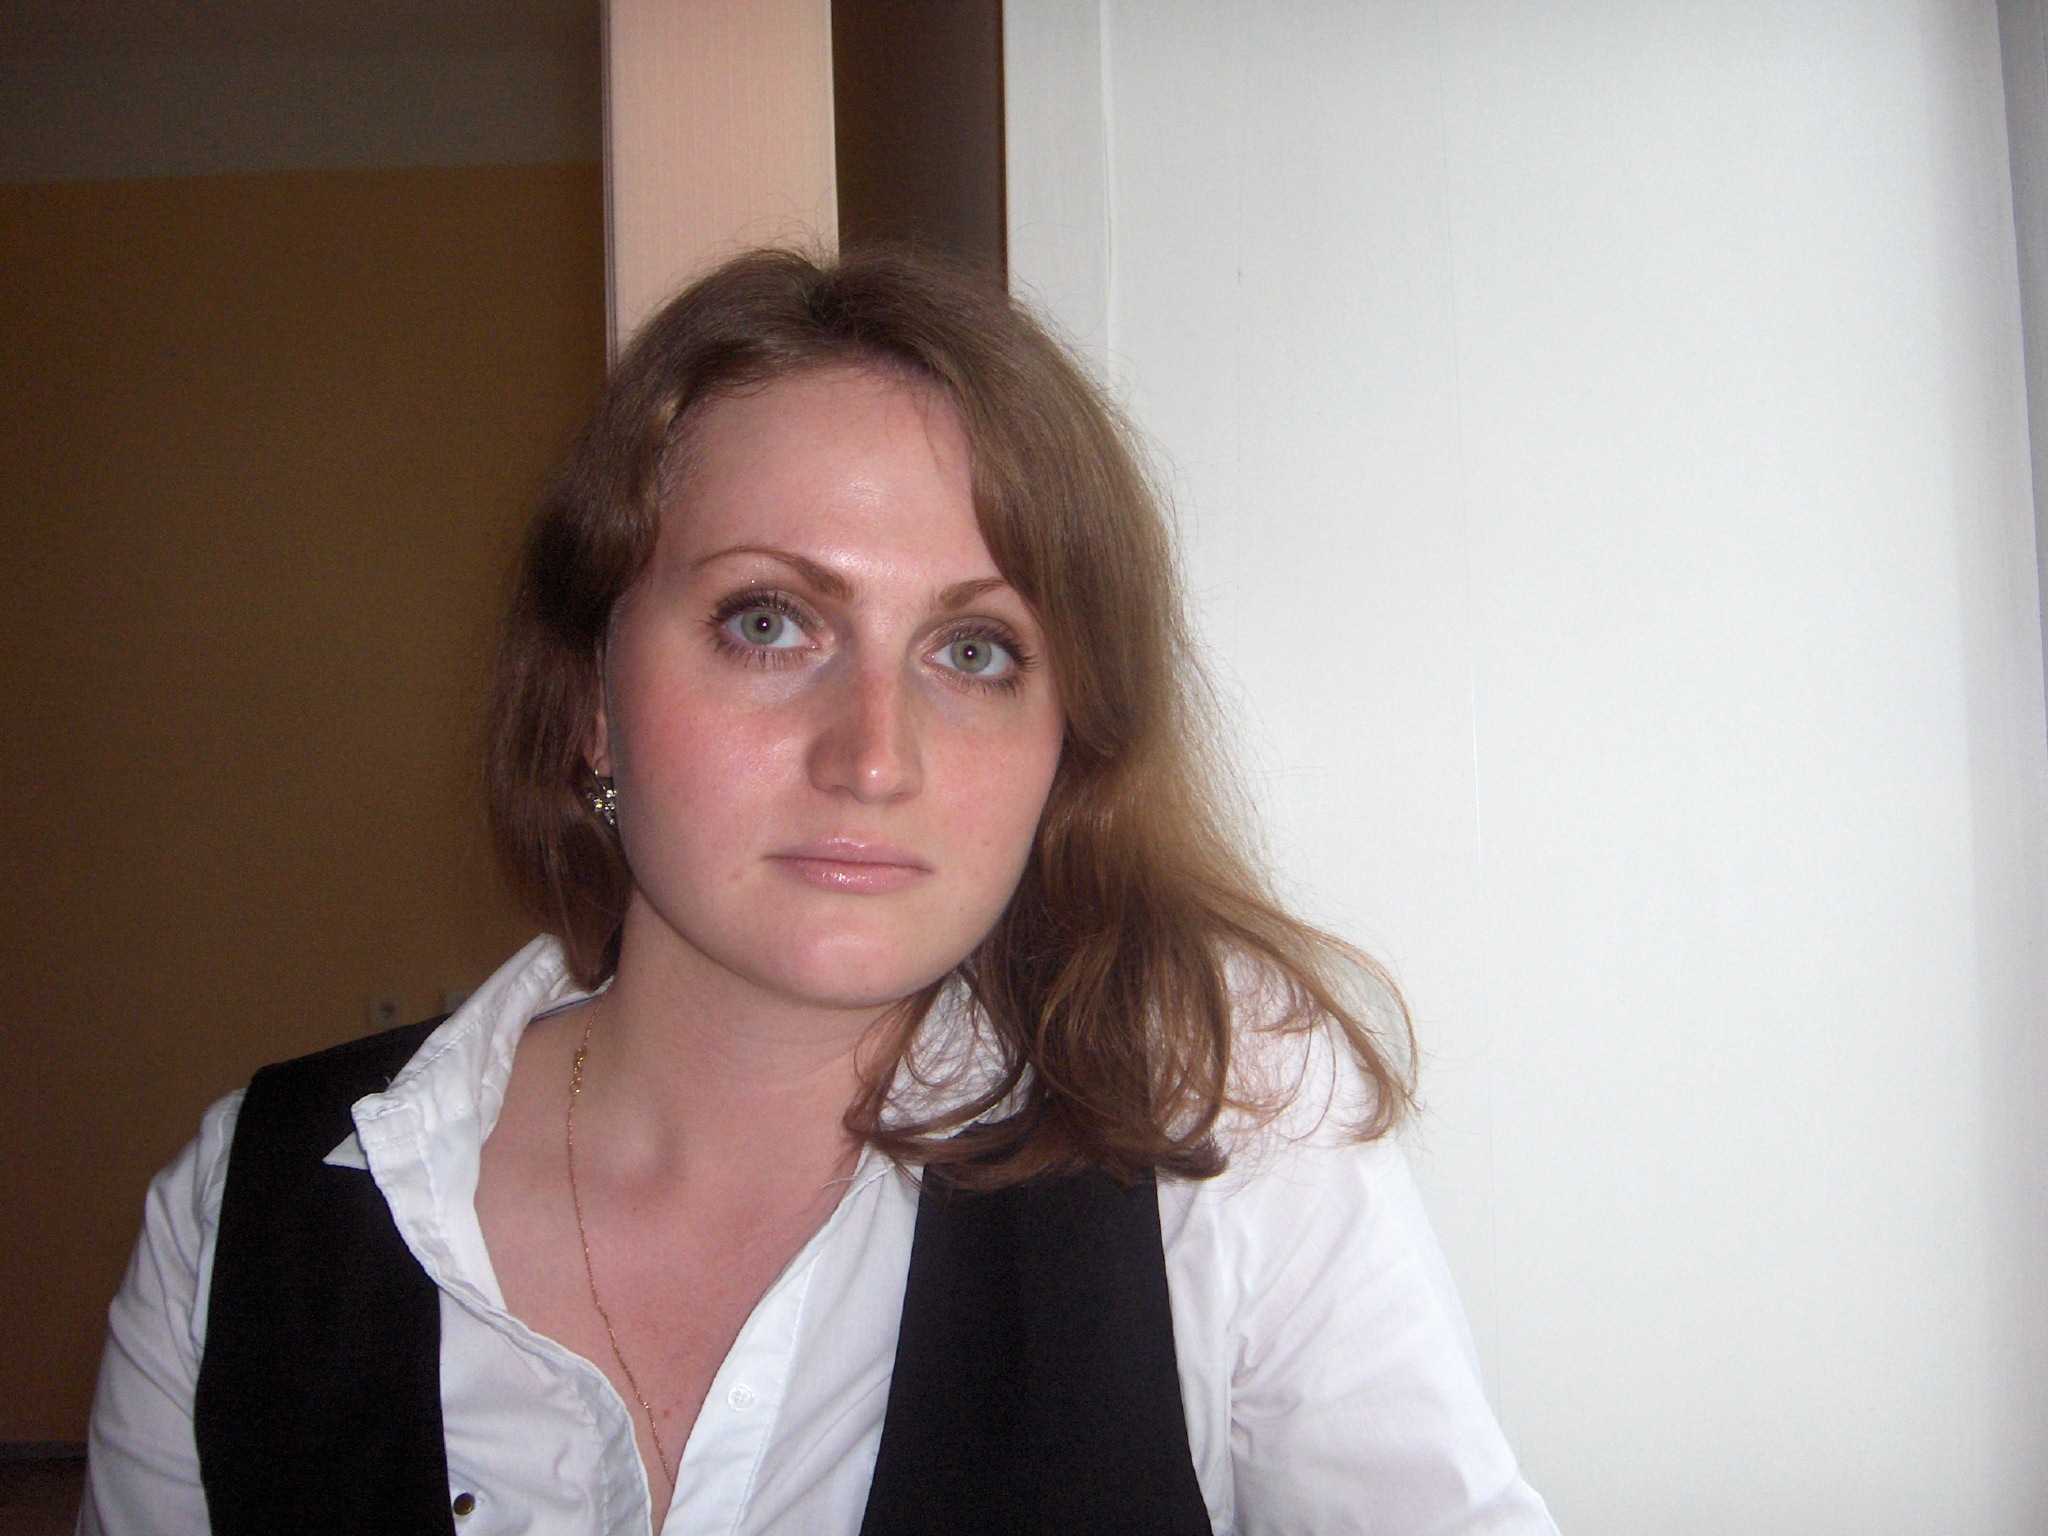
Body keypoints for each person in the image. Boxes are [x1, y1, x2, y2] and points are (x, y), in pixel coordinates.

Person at [80, 247, 1559, 1535]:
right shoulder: (248, 1206)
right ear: (592, 697)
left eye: (974, 651)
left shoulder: (1222, 1132)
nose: (874, 758)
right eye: (770, 622)